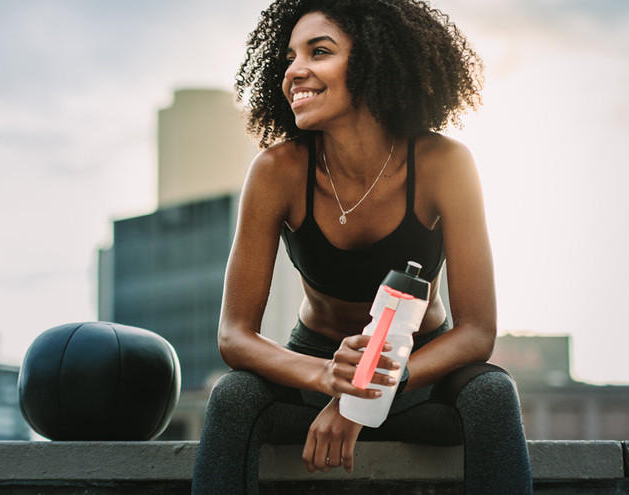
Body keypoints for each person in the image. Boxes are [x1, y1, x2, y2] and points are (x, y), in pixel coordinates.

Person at [191, 1, 533, 494]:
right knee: (234, 396)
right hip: (315, 370)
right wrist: (330, 376)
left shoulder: (444, 164)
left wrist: (372, 386)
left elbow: (478, 332)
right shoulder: (276, 172)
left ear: (374, 61)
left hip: (419, 374)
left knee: (493, 392)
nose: (295, 72)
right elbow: (234, 337)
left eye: (319, 51)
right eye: (289, 57)